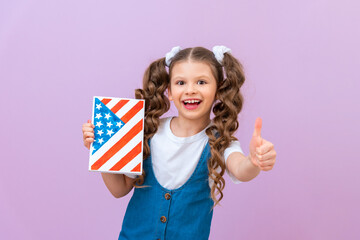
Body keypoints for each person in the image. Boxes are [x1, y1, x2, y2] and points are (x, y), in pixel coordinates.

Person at [82, 46, 277, 240]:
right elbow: (119, 189)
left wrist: (253, 160)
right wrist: (101, 151)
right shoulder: (148, 131)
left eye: (201, 82)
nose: (190, 90)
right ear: (169, 91)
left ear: (218, 90)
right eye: (181, 82)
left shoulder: (221, 141)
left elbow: (241, 169)